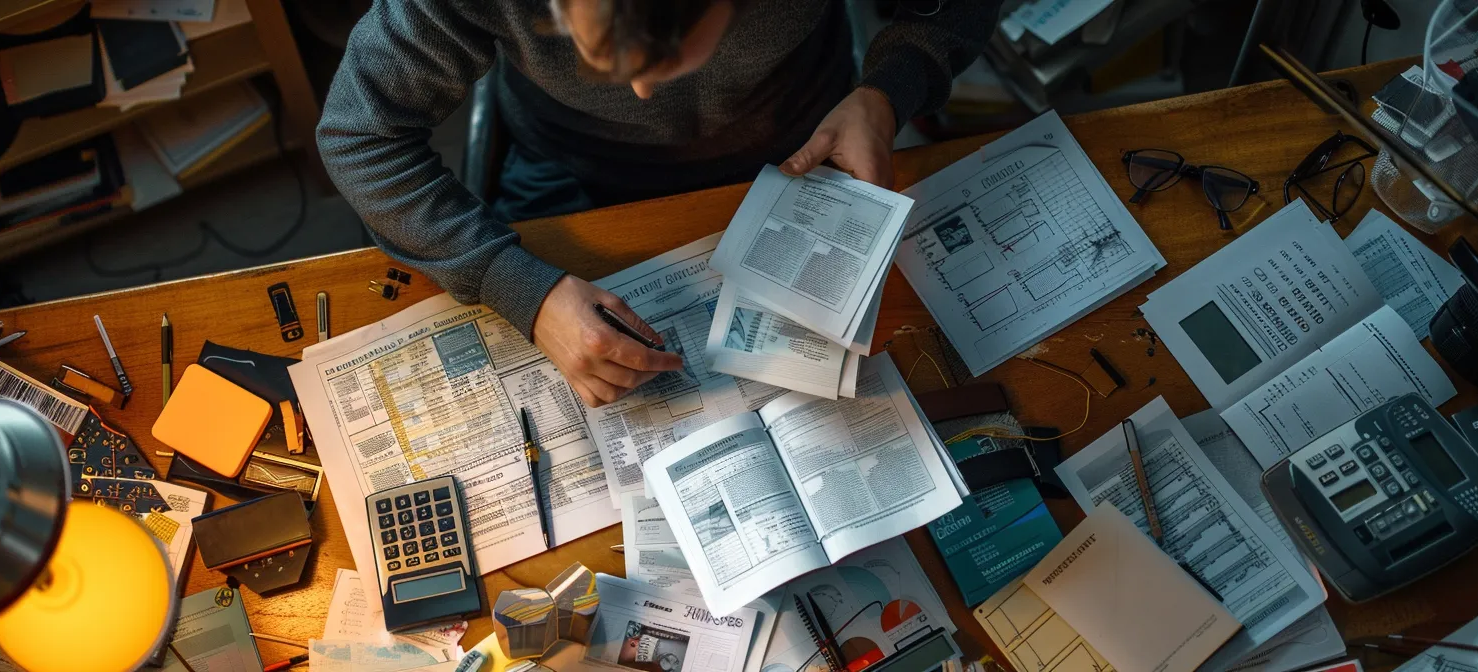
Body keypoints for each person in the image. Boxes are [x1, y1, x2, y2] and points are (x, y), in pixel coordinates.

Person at [318, 0, 999, 407]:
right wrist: (516, 286)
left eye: (667, 62)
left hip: (807, 150)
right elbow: (358, 133)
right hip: (571, 174)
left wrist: (889, 90)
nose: (642, 94)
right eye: (605, 60)